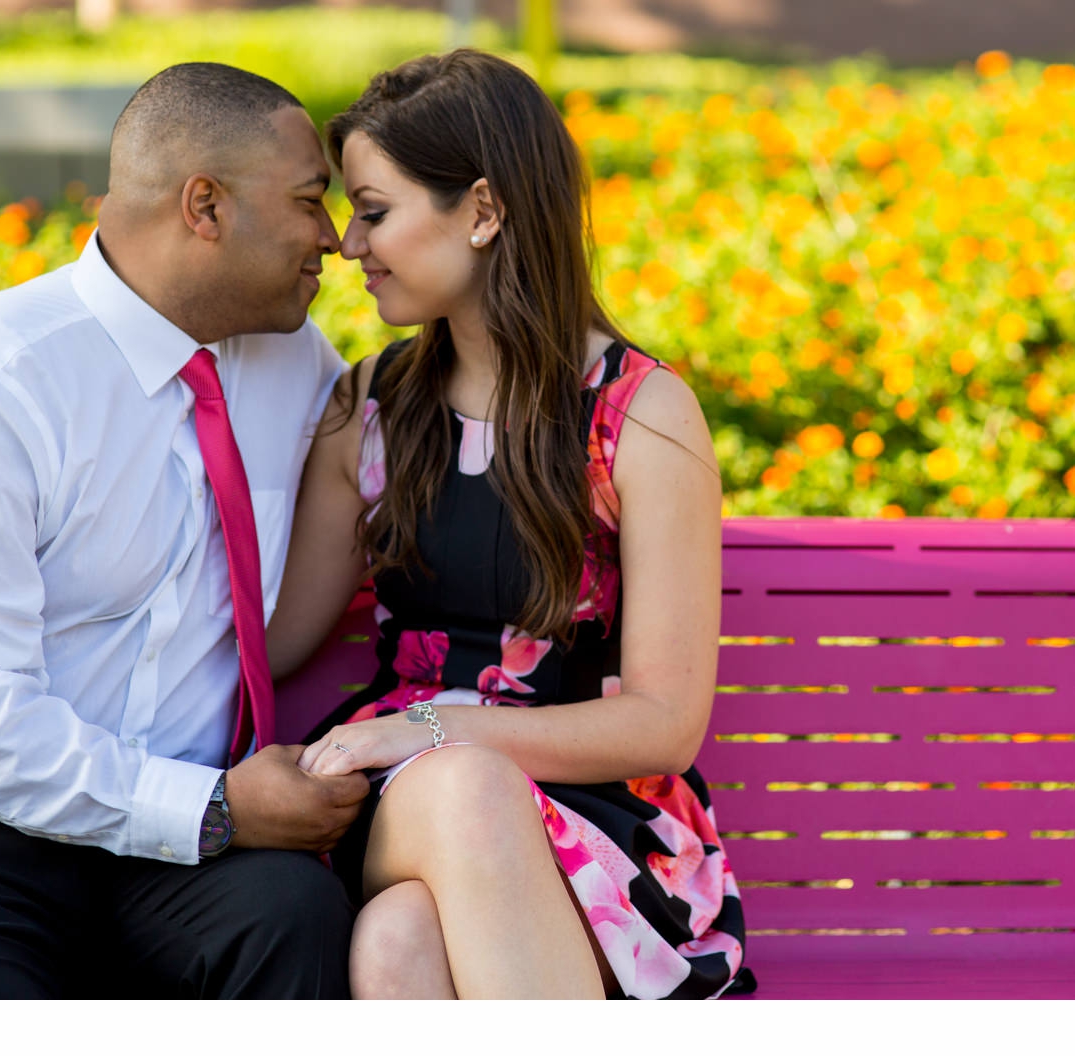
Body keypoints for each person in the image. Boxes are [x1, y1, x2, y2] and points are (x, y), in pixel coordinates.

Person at [0, 62, 369, 999]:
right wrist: (207, 809)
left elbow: (431, 410)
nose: (333, 239)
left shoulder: (294, 363)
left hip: (164, 853)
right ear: (204, 206)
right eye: (310, 201)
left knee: (293, 914)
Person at [266, 49, 753, 1000]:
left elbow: (662, 726)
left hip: (604, 826)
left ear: (483, 212)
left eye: (373, 212)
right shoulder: (365, 409)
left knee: (398, 946)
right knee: (462, 788)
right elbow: (274, 640)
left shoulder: (639, 416)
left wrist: (434, 730)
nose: (348, 246)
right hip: (407, 796)